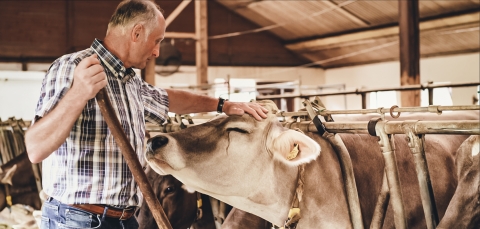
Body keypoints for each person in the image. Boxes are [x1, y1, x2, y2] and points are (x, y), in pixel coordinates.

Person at [24, 1, 268, 228]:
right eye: (157, 40)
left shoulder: (130, 81)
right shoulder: (73, 67)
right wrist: (78, 93)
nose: (157, 52)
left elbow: (168, 98)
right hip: (78, 220)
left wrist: (223, 105)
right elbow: (36, 148)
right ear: (137, 32)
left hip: (127, 219)